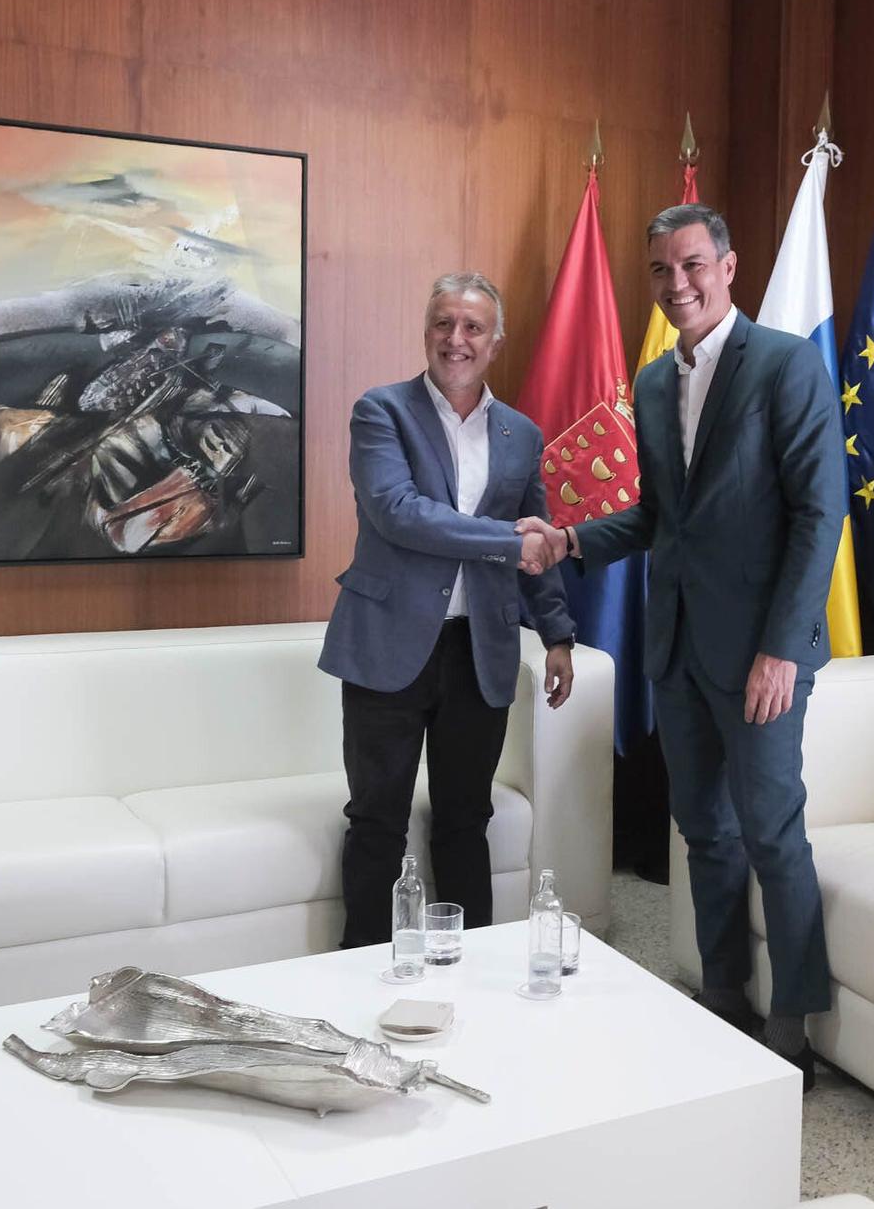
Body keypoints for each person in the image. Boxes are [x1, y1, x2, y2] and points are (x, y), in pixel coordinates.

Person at [519, 205, 841, 1089]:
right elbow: (661, 518)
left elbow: (821, 515)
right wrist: (572, 540)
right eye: (661, 271)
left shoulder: (787, 364)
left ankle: (792, 1024)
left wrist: (781, 649)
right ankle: (726, 997)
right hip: (680, 650)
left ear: (729, 266)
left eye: (692, 264)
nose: (677, 284)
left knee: (773, 833)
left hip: (764, 656)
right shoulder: (656, 383)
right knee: (705, 831)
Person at [320, 272, 576, 950]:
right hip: (387, 645)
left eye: (471, 327)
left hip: (479, 650)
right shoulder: (382, 412)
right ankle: (360, 970)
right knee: (378, 819)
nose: (454, 339)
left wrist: (556, 634)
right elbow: (399, 514)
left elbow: (539, 531)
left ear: (496, 341)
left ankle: (471, 971)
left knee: (467, 818)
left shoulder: (520, 433)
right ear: (426, 330)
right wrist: (509, 540)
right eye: (442, 323)